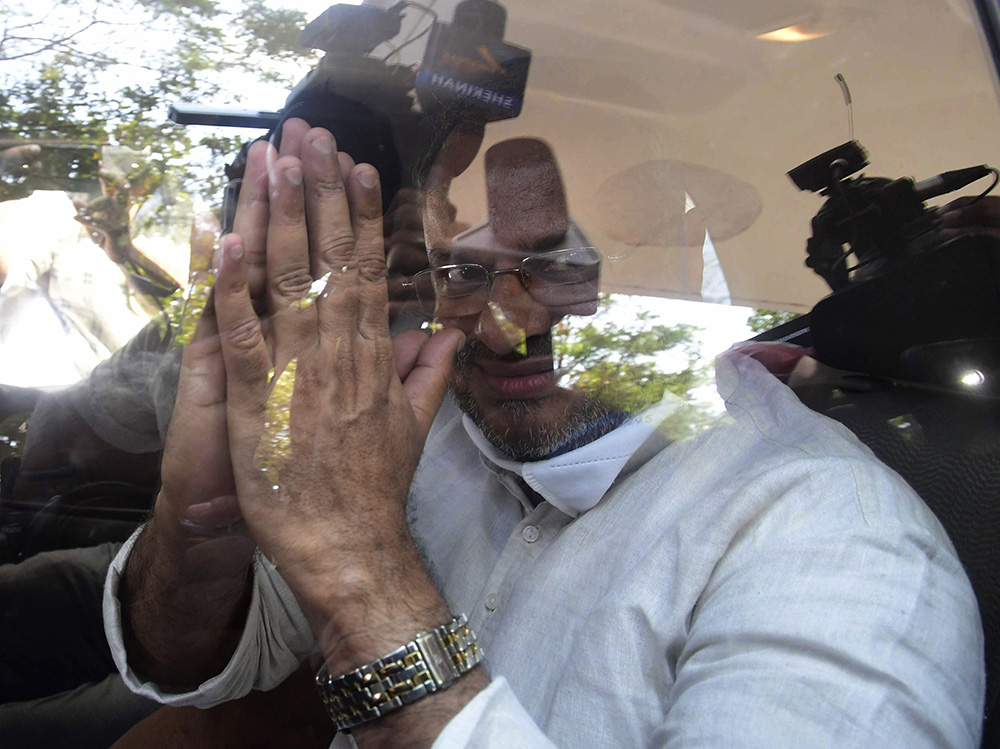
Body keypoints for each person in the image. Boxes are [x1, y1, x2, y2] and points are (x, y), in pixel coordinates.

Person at [103, 119, 984, 748]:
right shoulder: (429, 432)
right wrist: (203, 518)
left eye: (559, 270)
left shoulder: (842, 541)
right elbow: (216, 662)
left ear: (679, 276)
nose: (499, 326)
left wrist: (364, 573)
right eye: (465, 273)